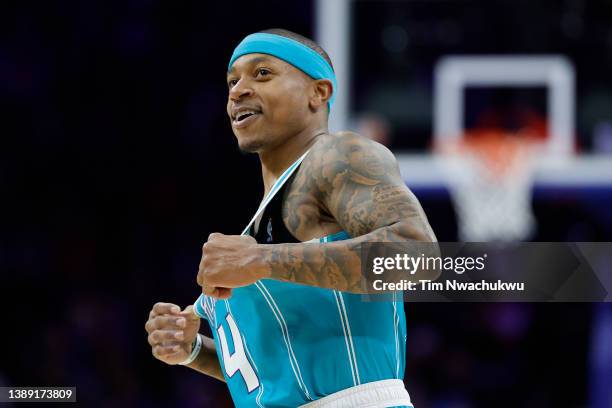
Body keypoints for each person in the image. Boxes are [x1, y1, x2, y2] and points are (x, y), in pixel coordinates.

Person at [145, 28, 436, 407]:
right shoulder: (256, 228)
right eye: (233, 81)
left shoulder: (337, 156)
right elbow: (277, 370)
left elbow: (419, 257)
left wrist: (262, 260)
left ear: (319, 92)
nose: (238, 90)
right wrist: (191, 350)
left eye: (262, 73)